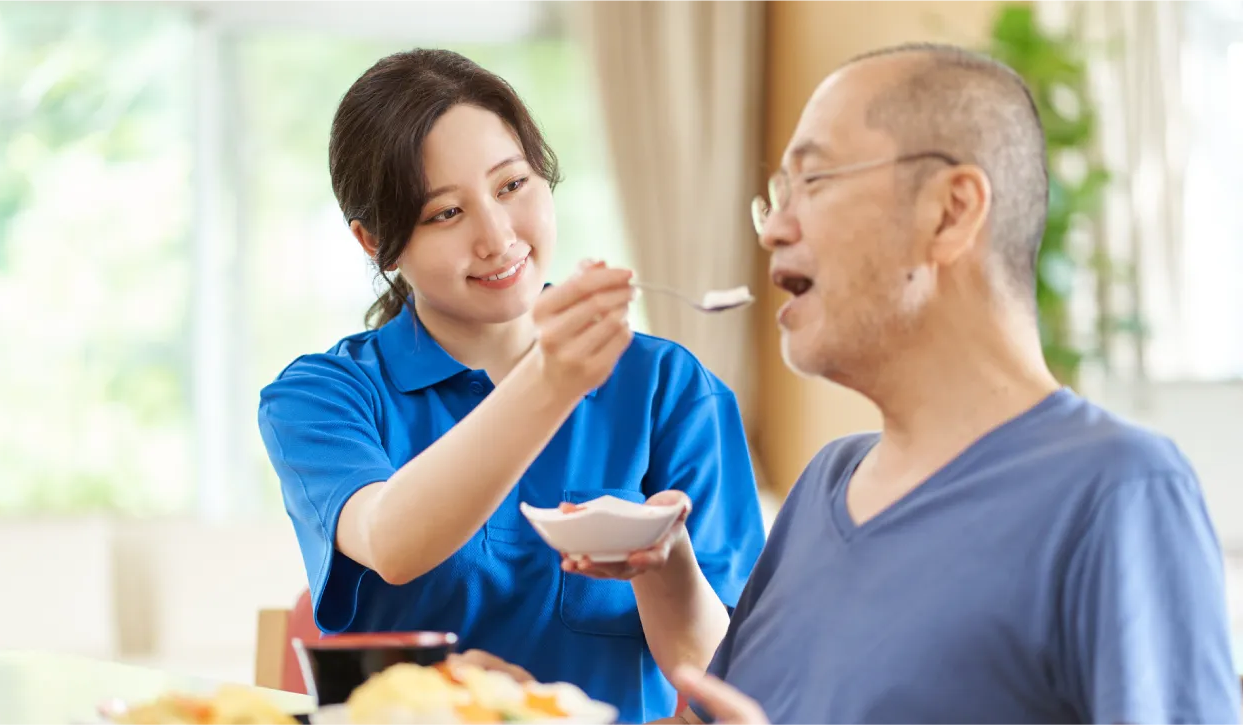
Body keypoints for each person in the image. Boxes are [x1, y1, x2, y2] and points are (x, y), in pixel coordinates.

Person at [455, 41, 1243, 725]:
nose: (772, 226)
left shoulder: (1117, 491)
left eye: (815, 181)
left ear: (951, 211)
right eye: (777, 193)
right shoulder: (826, 483)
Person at [256, 48, 765, 725]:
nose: (498, 237)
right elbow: (391, 541)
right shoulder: (323, 396)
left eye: (511, 186)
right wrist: (550, 379)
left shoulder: (670, 388)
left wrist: (665, 565)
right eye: (445, 213)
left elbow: (725, 684)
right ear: (375, 240)